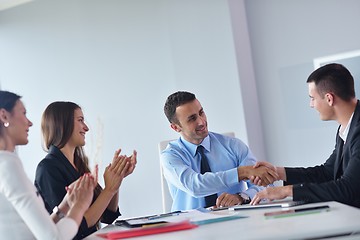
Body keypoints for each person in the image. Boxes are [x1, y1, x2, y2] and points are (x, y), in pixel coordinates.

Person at [250, 63, 360, 208]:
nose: (311, 104)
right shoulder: (347, 128)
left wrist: (287, 191)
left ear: (329, 98)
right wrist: (277, 172)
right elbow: (327, 172)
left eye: (313, 98)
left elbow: (348, 188)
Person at [0, 90, 96, 239]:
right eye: (23, 113)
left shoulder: (8, 164)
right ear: (4, 116)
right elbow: (53, 238)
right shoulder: (8, 167)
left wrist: (64, 206)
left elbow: (39, 232)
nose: (30, 122)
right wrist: (79, 206)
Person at [34, 101, 137, 239]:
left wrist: (116, 179)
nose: (86, 128)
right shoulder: (47, 168)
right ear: (62, 124)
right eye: (80, 120)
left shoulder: (79, 164)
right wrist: (109, 190)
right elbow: (75, 227)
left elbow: (107, 215)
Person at [161, 91, 278, 211]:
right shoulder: (170, 156)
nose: (201, 121)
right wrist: (240, 173)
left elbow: (266, 185)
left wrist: (243, 196)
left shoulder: (233, 145)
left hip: (235, 222)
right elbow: (194, 186)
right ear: (176, 127)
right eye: (192, 119)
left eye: (201, 112)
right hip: (189, 226)